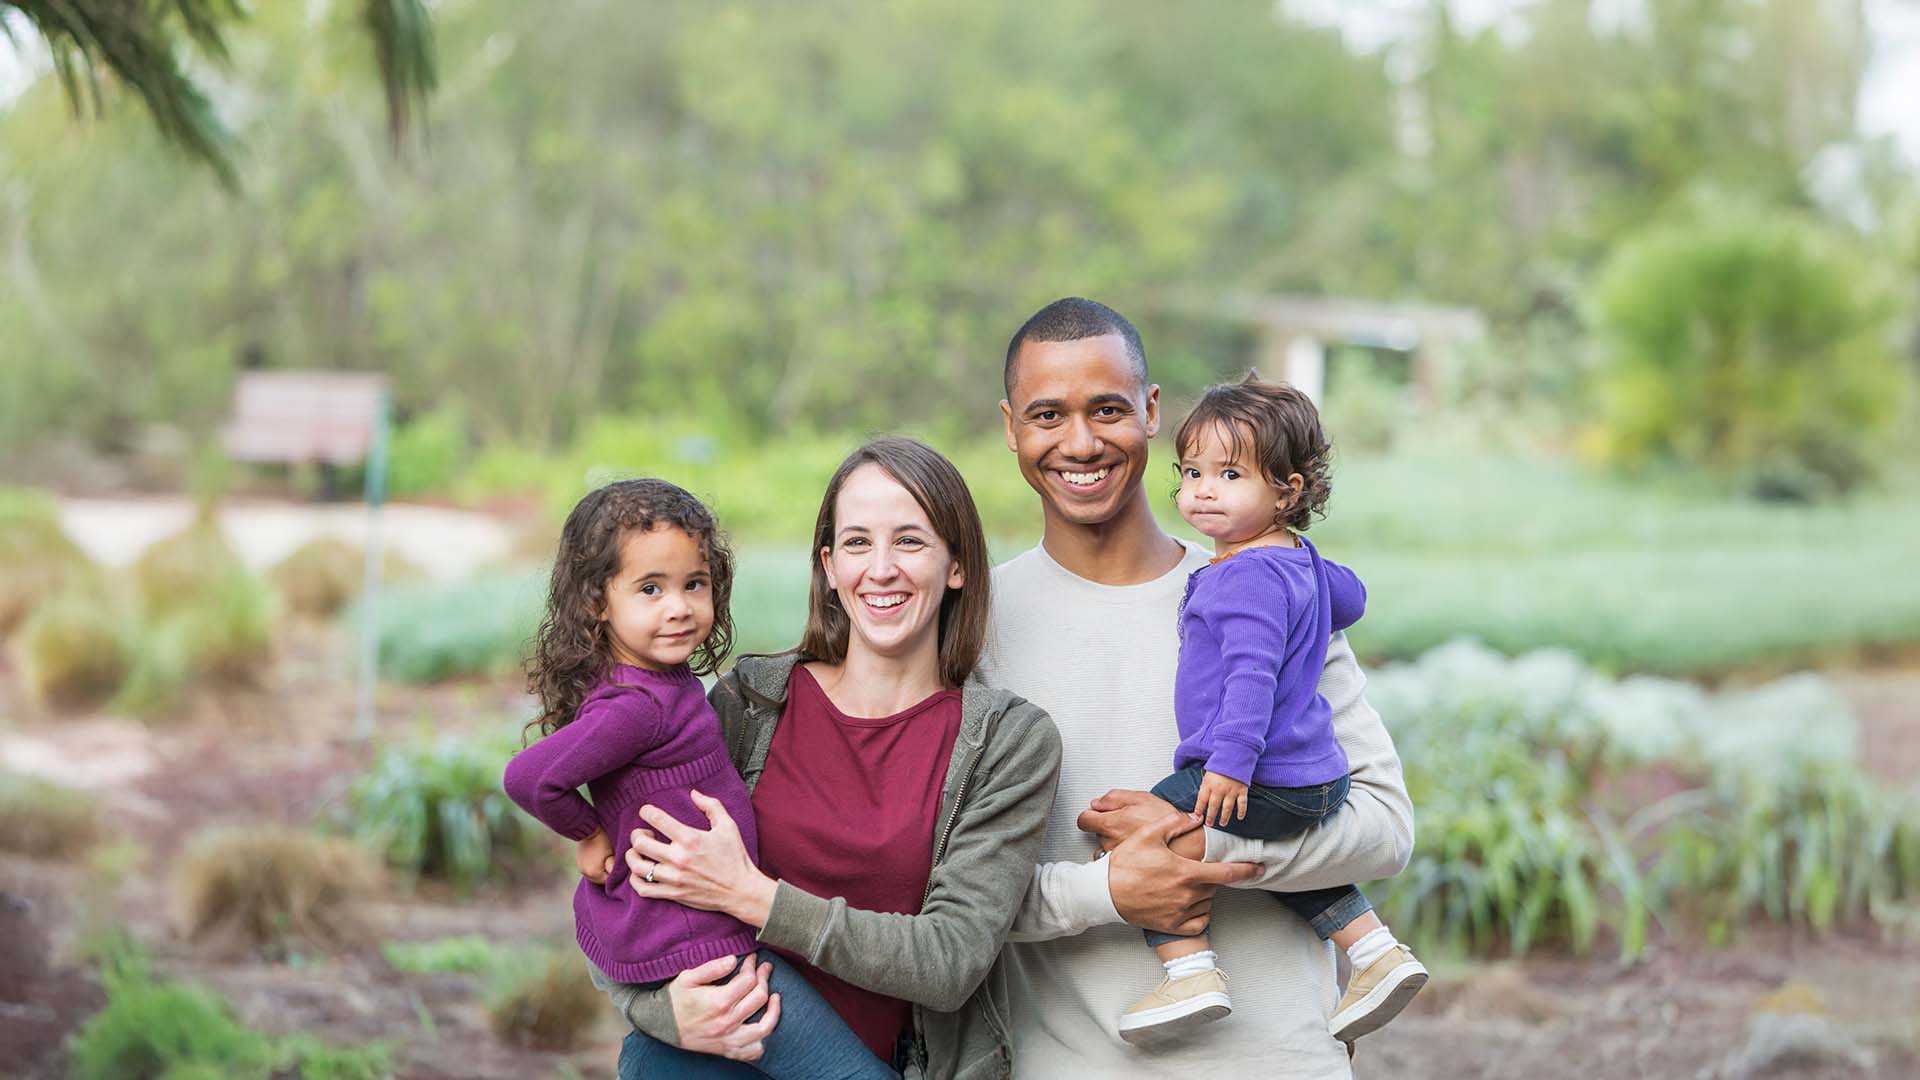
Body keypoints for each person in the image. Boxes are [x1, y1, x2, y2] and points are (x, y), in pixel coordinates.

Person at [982, 298, 1415, 1077]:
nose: (1080, 442)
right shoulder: (970, 625)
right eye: (1048, 414)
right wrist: (1112, 890)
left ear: (1150, 411)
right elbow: (956, 894)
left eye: (1107, 409)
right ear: (1011, 426)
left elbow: (1384, 828)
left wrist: (1201, 844)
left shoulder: (1267, 580)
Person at [586, 438, 1063, 1079]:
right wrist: (659, 1010)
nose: (882, 568)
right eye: (859, 543)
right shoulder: (746, 704)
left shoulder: (1009, 742)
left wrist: (753, 896)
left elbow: (950, 961)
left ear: (957, 566)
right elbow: (621, 888)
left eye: (911, 541)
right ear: (830, 565)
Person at [503, 478, 893, 1079]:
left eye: (695, 584)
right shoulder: (636, 705)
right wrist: (588, 833)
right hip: (710, 955)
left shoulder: (664, 680)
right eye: (650, 588)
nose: (679, 606)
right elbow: (529, 777)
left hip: (706, 935)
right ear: (596, 602)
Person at [1113, 374, 1426, 1045]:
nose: (1201, 489)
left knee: (1140, 830)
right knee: (1279, 852)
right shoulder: (1299, 561)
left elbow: (1251, 678)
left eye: (1229, 474)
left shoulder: (1243, 577)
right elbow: (1353, 598)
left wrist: (1228, 766)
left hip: (1260, 773)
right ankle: (1374, 952)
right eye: (1191, 470)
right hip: (1317, 780)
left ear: (1287, 490)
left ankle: (1189, 968)